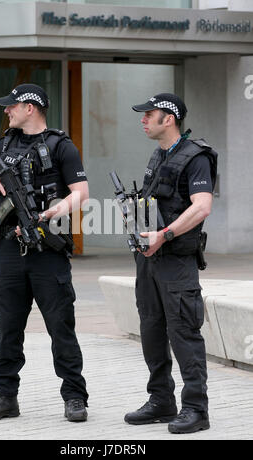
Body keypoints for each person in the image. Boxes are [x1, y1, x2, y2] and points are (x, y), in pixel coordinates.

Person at [0, 83, 89, 423]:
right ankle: (4, 396)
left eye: (12, 106)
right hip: (10, 249)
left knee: (60, 326)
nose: (7, 111)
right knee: (8, 326)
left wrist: (52, 212)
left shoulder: (60, 145)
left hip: (47, 248)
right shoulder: (4, 144)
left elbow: (81, 192)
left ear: (31, 108)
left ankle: (75, 398)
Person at [124, 93, 217, 434]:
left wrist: (164, 233)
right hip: (149, 260)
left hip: (176, 261)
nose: (143, 119)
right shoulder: (160, 155)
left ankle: (196, 409)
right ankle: (161, 401)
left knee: (183, 333)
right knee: (150, 329)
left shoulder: (196, 157)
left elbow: (202, 206)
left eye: (150, 114)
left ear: (170, 119)